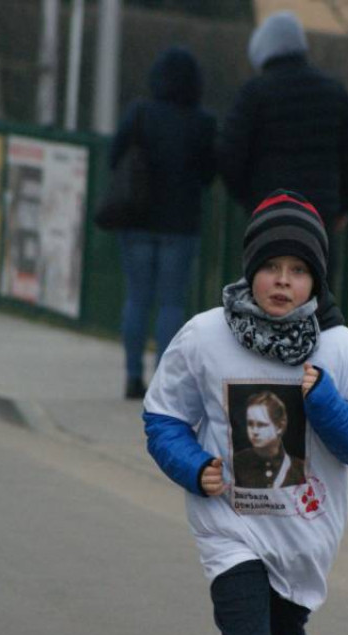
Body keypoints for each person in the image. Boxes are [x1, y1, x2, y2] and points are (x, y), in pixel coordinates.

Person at [142, 190, 348, 635]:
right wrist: (192, 466)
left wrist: (324, 401)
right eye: (271, 267)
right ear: (250, 269)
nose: (283, 281)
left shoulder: (343, 350)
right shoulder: (204, 336)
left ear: (316, 280)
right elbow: (163, 417)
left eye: (298, 270)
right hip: (229, 527)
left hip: (304, 533)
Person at [217, 12, 348, 282]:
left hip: (269, 211)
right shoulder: (334, 92)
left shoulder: (255, 94)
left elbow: (229, 153)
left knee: (268, 290)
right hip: (319, 215)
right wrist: (342, 207)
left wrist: (249, 200)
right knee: (315, 289)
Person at [107, 46, 216, 399]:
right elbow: (208, 172)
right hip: (180, 225)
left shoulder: (139, 113)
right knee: (172, 304)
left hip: (137, 219)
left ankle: (132, 375)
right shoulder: (201, 122)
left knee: (137, 299)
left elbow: (114, 157)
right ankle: (163, 381)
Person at [234, 391, 306, 489]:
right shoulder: (236, 464)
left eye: (261, 425)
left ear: (279, 427)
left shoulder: (300, 470)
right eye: (250, 424)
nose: (254, 431)